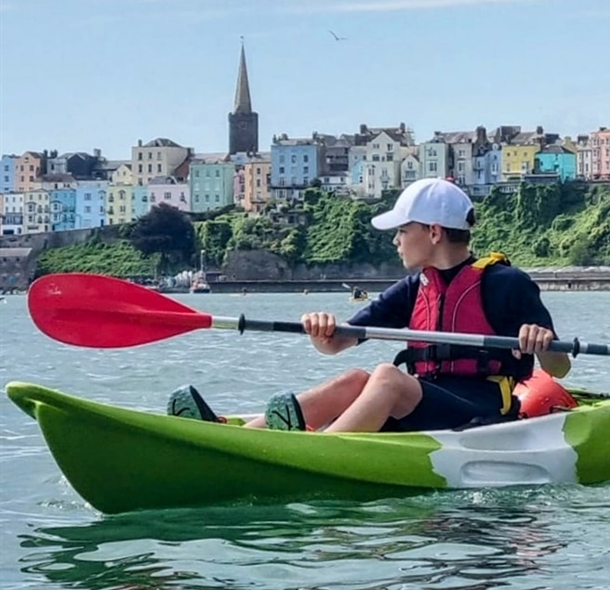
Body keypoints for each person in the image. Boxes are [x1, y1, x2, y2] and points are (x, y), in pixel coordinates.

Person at [168, 177, 571, 433]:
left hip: (483, 409)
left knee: (387, 377)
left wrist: (541, 342)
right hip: (425, 400)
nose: (395, 240)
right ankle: (237, 438)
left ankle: (318, 451)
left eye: (402, 230)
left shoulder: (506, 283)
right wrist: (322, 327)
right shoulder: (415, 287)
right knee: (355, 379)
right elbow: (334, 345)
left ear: (432, 232)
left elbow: (560, 366)